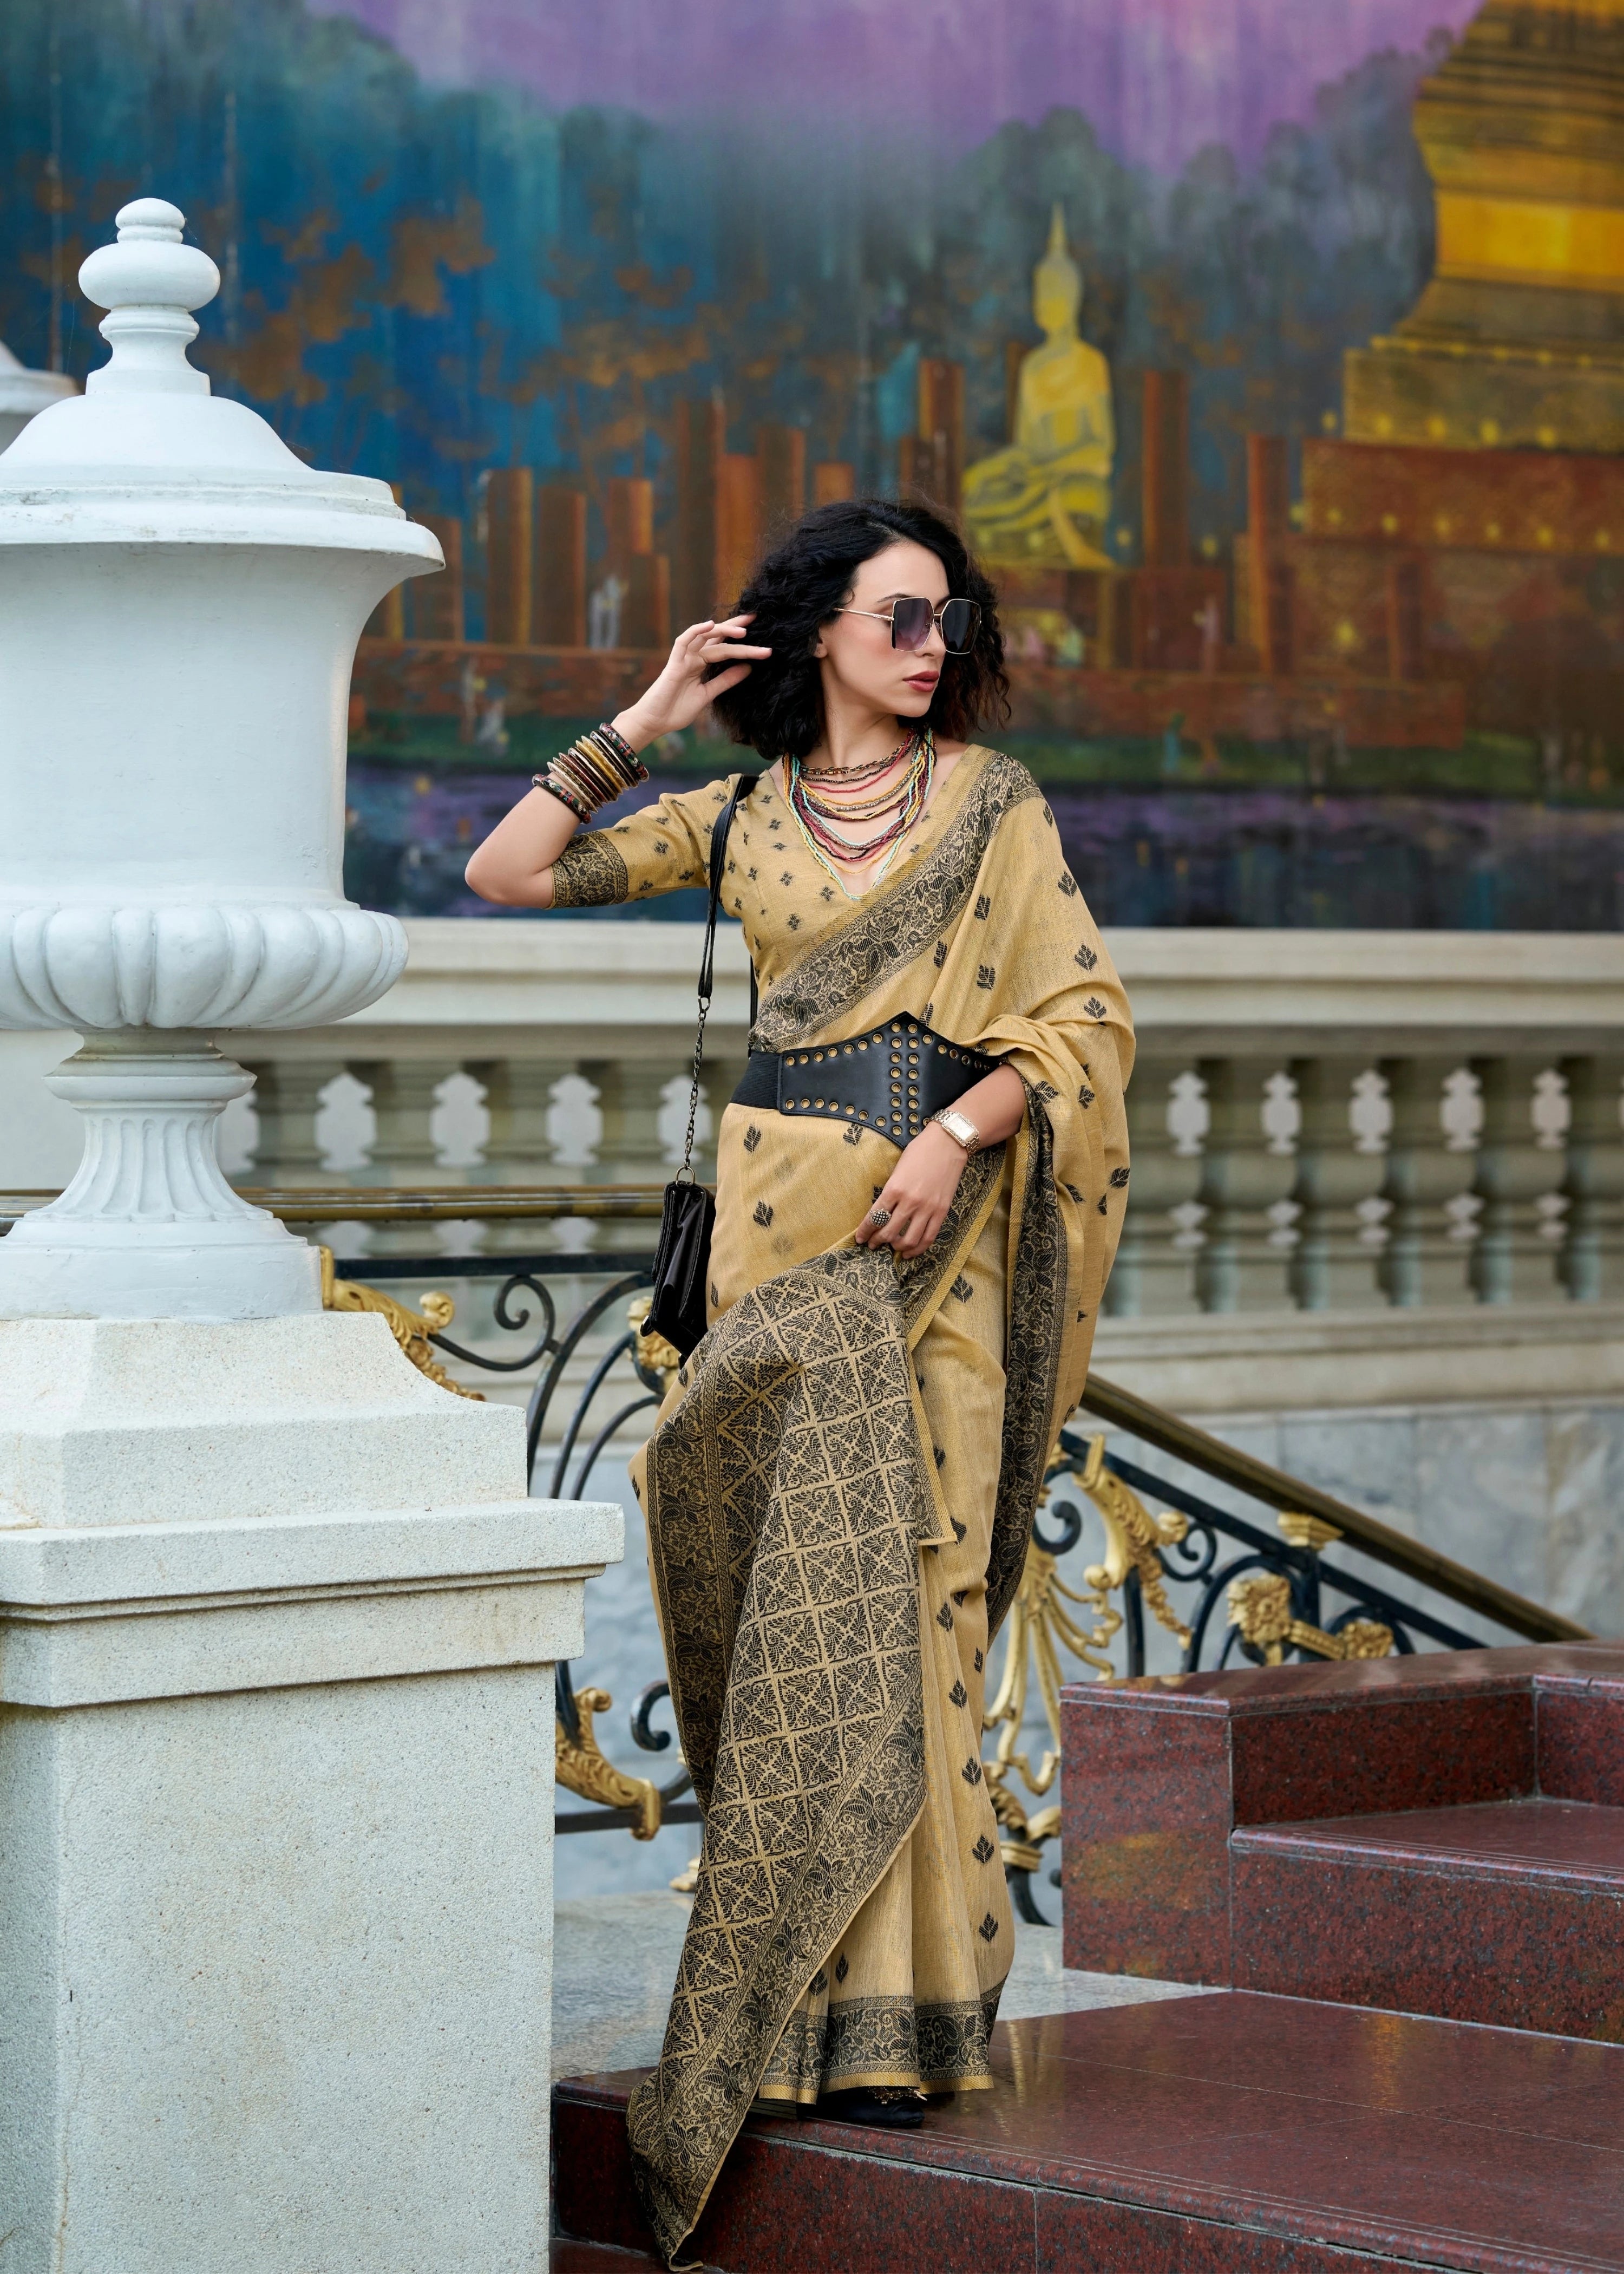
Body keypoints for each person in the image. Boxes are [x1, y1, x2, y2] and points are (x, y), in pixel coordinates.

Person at [466, 497, 1133, 2266]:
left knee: (900, 1610)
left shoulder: (994, 810)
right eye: (902, 616)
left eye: (949, 619)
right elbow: (509, 871)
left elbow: (1084, 1022)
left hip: (931, 1261)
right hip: (775, 1251)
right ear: (818, 630)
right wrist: (647, 715)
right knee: (792, 1624)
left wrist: (970, 1128)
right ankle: (784, 2002)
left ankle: (895, 2025)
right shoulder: (737, 814)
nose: (933, 644)